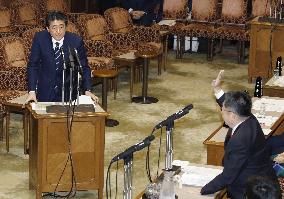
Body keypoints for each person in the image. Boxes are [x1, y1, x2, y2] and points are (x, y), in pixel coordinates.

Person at [200, 70, 279, 199]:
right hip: (262, 174)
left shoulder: (240, 140)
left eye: (223, 110)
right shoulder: (248, 117)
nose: (221, 112)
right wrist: (217, 89)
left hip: (249, 190)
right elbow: (229, 104)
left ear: (232, 115)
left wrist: (202, 190)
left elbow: (228, 175)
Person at [24, 11, 98, 104]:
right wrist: (32, 91)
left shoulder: (75, 41)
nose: (58, 31)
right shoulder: (40, 39)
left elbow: (84, 67)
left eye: (61, 27)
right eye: (54, 28)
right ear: (48, 28)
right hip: (45, 91)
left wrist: (87, 90)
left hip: (68, 92)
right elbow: (33, 65)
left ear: (66, 27)